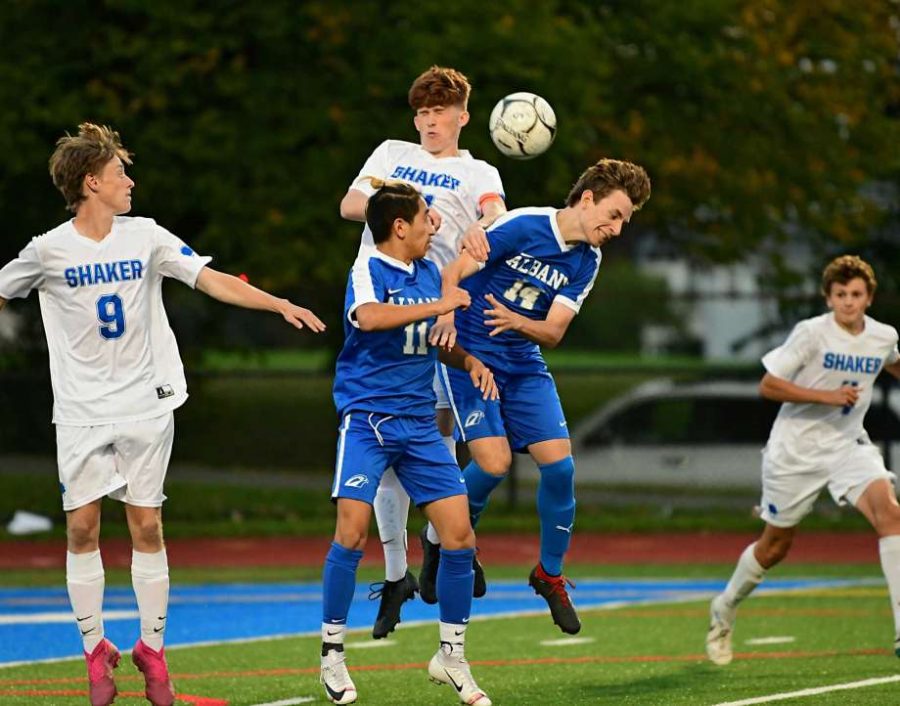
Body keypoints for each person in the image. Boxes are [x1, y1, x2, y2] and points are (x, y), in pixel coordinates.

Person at [0, 123, 325, 706]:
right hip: (80, 410)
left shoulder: (146, 235)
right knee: (81, 527)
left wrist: (275, 302)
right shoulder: (47, 250)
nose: (130, 181)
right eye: (120, 172)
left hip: (146, 401)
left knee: (146, 524)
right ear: (91, 181)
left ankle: (152, 649)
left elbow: (208, 278)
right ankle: (95, 650)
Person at [423, 158, 651, 634]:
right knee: (494, 464)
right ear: (587, 198)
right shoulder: (522, 224)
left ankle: (549, 574)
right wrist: (445, 315)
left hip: (523, 359)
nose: (616, 228)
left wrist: (517, 323)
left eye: (624, 222)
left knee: (561, 466)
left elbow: (552, 332)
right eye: (613, 215)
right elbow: (453, 271)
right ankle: (446, 539)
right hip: (473, 355)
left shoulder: (587, 260)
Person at [339, 65, 506, 638]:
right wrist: (404, 209)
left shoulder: (478, 169)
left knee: (438, 437)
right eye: (423, 114)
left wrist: (482, 224)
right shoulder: (390, 152)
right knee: (385, 439)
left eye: (441, 113)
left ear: (463, 115)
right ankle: (394, 575)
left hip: (441, 312)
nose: (430, 123)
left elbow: (492, 210)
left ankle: (440, 541)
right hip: (387, 302)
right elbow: (350, 205)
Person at [320, 179, 496, 706]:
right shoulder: (367, 268)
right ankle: (332, 655)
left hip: (420, 425)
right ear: (399, 226)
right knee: (351, 535)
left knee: (460, 536)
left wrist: (469, 360)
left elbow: (434, 343)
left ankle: (452, 657)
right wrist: (439, 304)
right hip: (369, 420)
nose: (431, 225)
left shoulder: (424, 273)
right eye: (424, 218)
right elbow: (370, 319)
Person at [706, 254, 900, 665]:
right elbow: (769, 385)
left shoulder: (882, 336)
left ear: (869, 298)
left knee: (891, 515)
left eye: (856, 294)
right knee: (775, 546)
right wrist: (826, 396)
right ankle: (724, 608)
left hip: (849, 446)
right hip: (795, 451)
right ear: (828, 298)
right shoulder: (811, 333)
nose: (849, 302)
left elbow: (894, 363)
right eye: (841, 294)